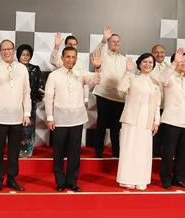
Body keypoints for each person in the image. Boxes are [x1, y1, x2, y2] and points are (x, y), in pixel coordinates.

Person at [44, 46, 102, 191]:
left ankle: (72, 181)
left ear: (76, 59)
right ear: (62, 58)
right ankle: (60, 182)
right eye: (68, 57)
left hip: (77, 118)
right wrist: (50, 117)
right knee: (58, 153)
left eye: (73, 57)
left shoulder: (80, 73)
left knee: (74, 153)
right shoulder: (54, 75)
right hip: (59, 119)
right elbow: (48, 98)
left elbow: (95, 80)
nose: (71, 59)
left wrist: (98, 67)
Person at [0, 40, 31, 191]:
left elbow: (26, 93)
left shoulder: (22, 68)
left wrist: (27, 113)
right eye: (3, 49)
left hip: (17, 116)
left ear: (14, 50)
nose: (6, 52)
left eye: (9, 49)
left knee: (14, 151)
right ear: (0, 51)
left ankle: (12, 178)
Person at [116, 53, 161, 190]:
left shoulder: (155, 84)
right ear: (139, 64)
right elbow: (120, 89)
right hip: (131, 119)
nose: (148, 65)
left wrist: (156, 122)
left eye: (151, 63)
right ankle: (127, 179)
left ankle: (141, 179)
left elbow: (157, 105)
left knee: (143, 150)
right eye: (145, 62)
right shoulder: (132, 78)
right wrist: (127, 72)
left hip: (146, 121)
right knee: (129, 148)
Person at [157, 49, 185, 190]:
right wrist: (174, 63)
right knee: (168, 152)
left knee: (182, 153)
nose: (183, 64)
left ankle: (179, 179)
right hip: (170, 120)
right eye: (181, 61)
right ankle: (166, 179)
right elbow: (162, 79)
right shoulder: (169, 77)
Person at [92, 25, 128, 158]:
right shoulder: (103, 55)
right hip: (104, 94)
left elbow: (127, 78)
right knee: (101, 124)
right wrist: (103, 40)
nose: (116, 43)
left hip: (119, 97)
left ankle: (116, 153)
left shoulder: (124, 59)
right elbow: (97, 53)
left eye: (118, 42)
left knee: (116, 128)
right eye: (113, 41)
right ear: (108, 43)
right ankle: (98, 152)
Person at [17, 43, 44, 158]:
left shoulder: (35, 69)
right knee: (17, 127)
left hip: (31, 102)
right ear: (18, 56)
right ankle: (16, 149)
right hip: (15, 102)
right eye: (23, 55)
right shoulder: (14, 67)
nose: (25, 57)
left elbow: (40, 85)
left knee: (29, 126)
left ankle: (28, 150)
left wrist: (42, 94)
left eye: (27, 55)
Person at [149, 44, 169, 158]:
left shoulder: (169, 66)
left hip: (166, 105)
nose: (159, 54)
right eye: (156, 52)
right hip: (153, 104)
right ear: (152, 54)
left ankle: (161, 152)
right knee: (153, 130)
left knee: (164, 131)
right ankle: (152, 153)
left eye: (162, 52)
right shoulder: (148, 65)